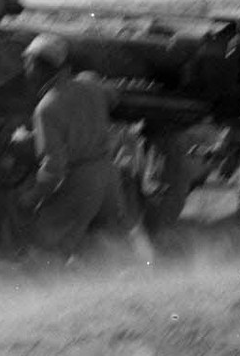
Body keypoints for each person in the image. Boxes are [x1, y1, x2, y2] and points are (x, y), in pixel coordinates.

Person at [19, 33, 146, 263]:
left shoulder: (46, 107)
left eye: (27, 63)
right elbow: (112, 96)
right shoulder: (91, 86)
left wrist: (32, 196)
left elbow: (54, 166)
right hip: (108, 177)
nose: (26, 69)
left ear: (38, 67)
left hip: (81, 181)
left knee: (47, 247)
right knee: (107, 248)